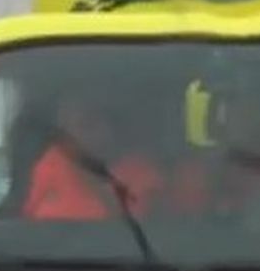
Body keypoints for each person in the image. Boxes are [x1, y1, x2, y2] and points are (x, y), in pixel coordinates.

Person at [22, 95, 169, 221]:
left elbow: (143, 232)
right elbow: (28, 220)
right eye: (66, 126)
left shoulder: (142, 173)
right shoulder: (49, 165)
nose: (73, 134)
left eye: (89, 124)